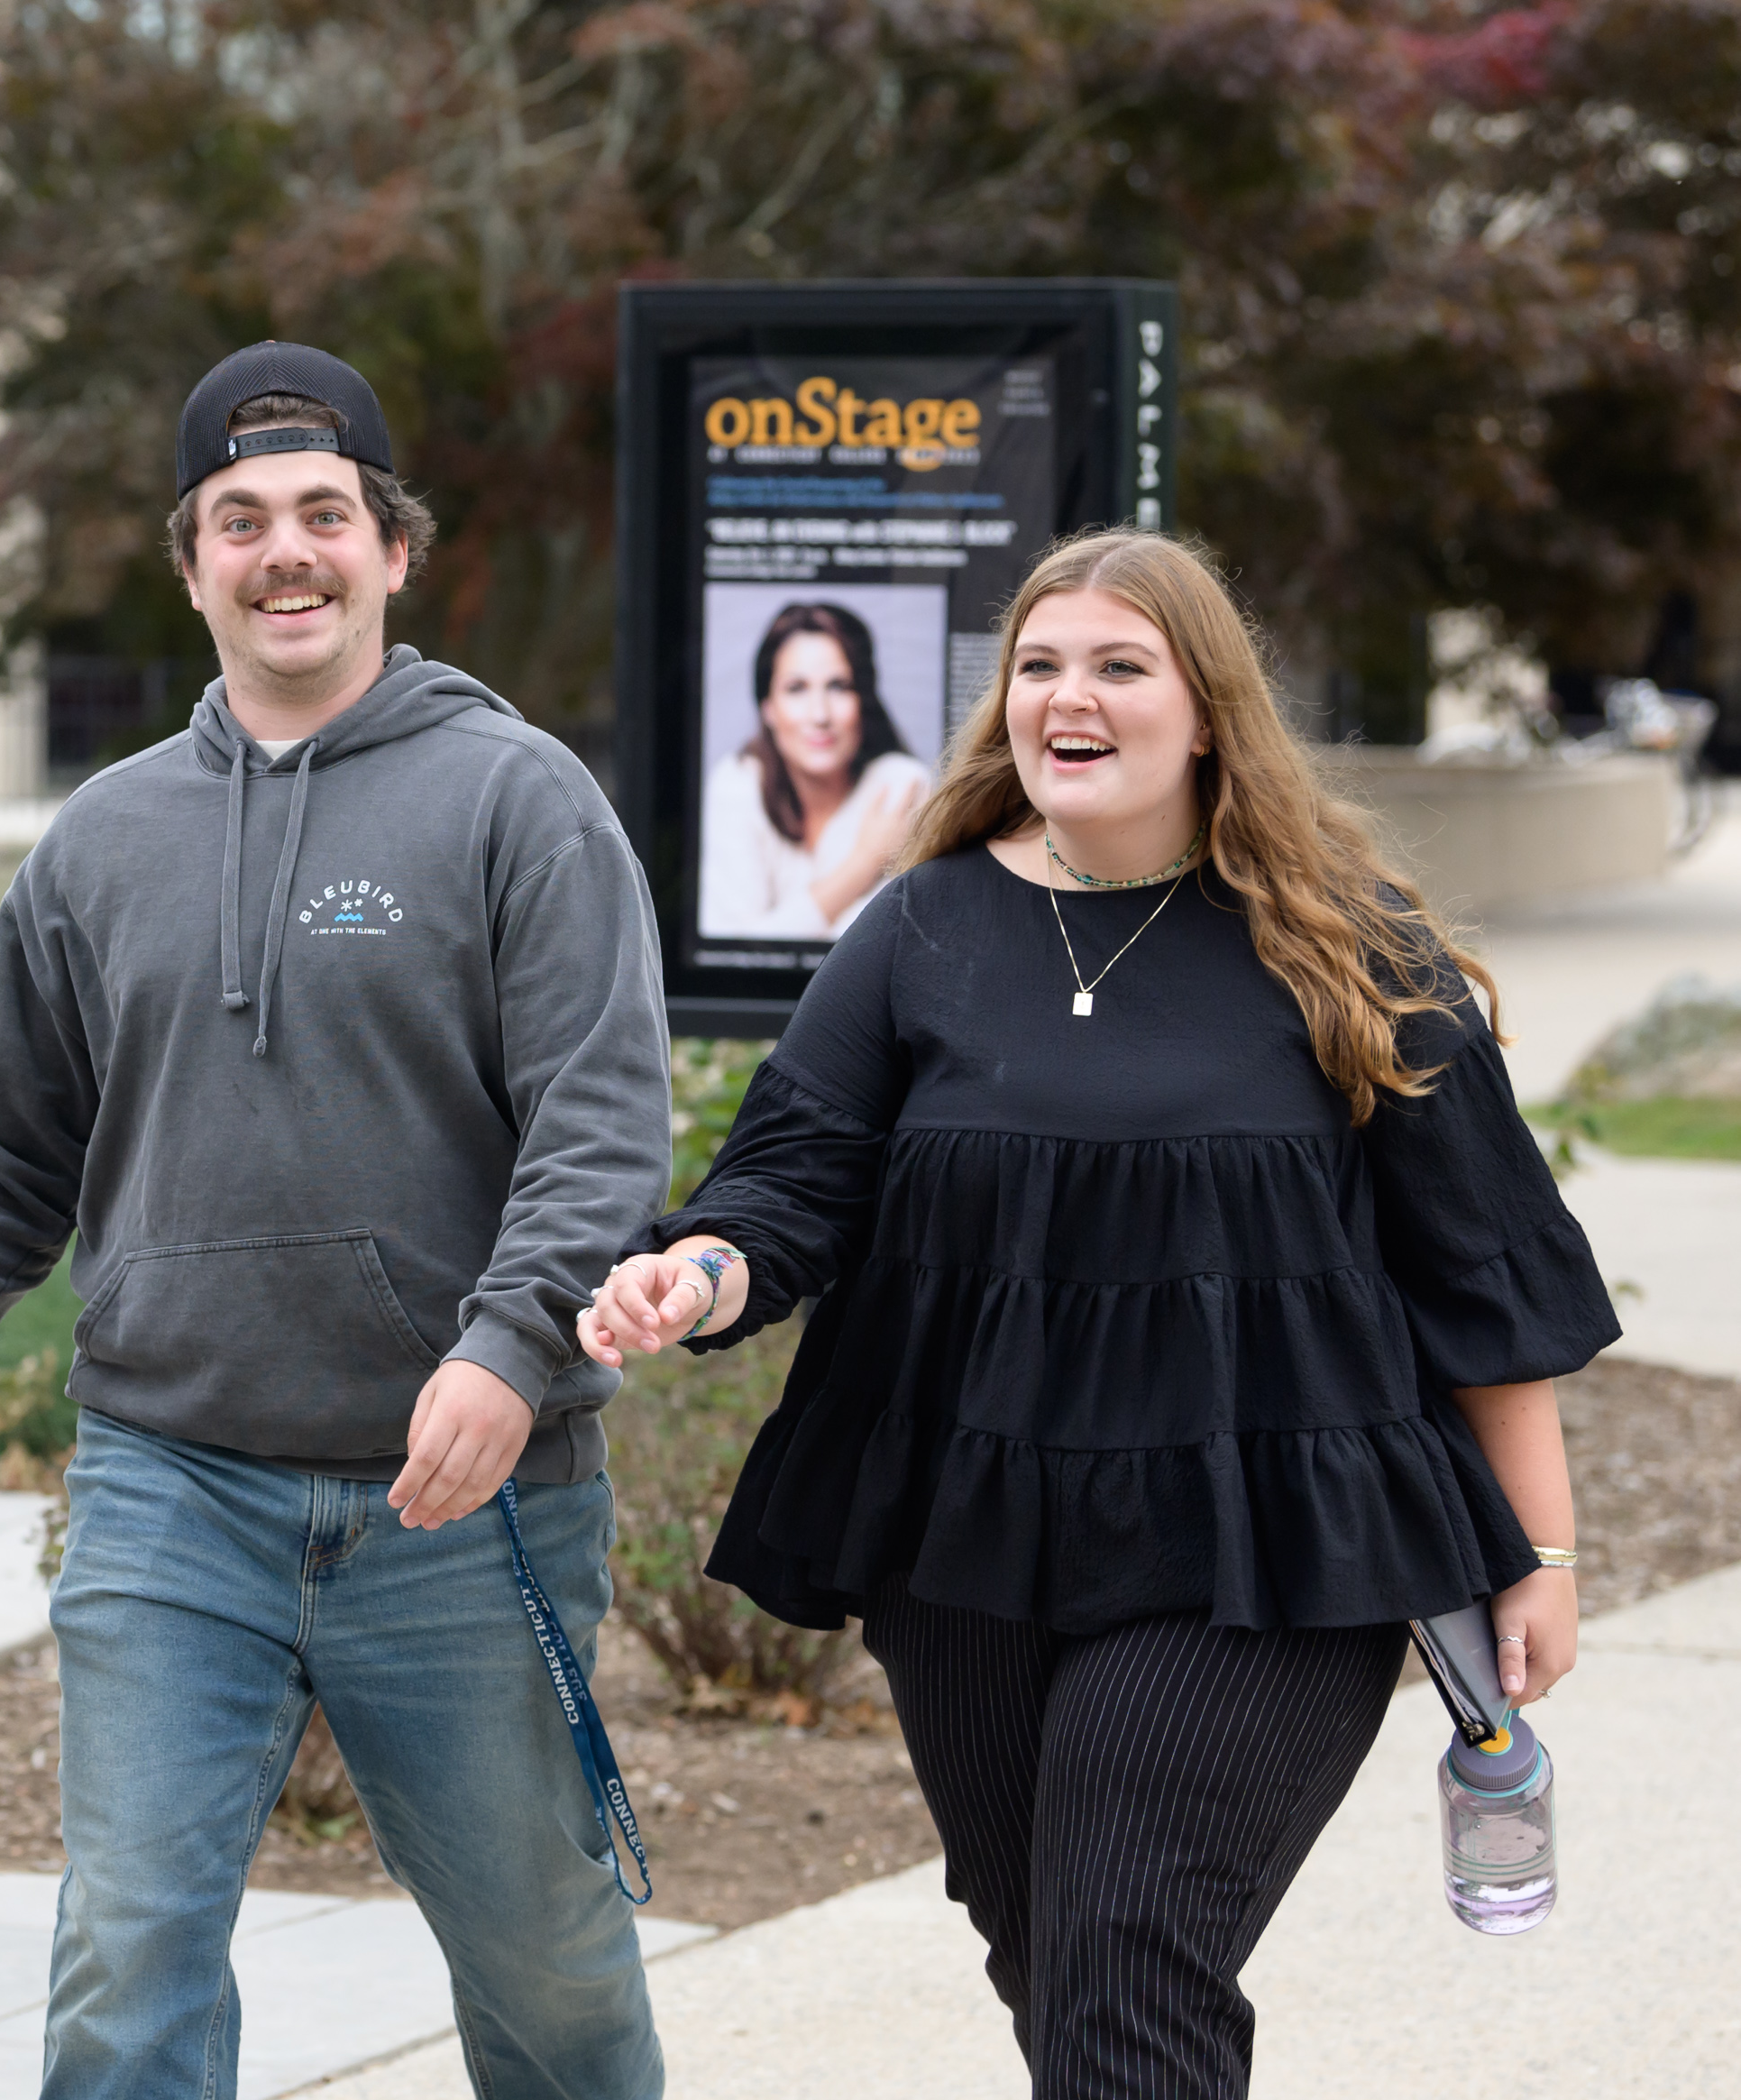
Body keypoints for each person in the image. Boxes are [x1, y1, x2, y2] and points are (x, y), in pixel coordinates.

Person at [583, 528, 1613, 2100]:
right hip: (972, 1530)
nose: (1069, 694)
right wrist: (699, 1270)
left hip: (1266, 1539)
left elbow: (1482, 1272)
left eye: (1120, 664)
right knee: (1053, 1952)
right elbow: (792, 1179)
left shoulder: (1349, 945)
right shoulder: (920, 929)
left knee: (1130, 1951)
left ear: (1210, 711)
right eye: (1038, 665)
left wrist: (1538, 1550)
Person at [0, 342, 675, 2099]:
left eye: (324, 515)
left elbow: (598, 1125)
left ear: (390, 550)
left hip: (468, 1506)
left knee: (547, 1977)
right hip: (170, 1484)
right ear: (188, 561)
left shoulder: (516, 803)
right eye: (242, 519)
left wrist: (506, 1353)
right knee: (130, 1962)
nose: (288, 552)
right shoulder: (104, 841)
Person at [699, 600, 930, 937]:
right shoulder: (737, 783)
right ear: (768, 708)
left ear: (862, 700)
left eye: (838, 687)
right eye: (796, 689)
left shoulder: (901, 787)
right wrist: (865, 862)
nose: (820, 715)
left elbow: (880, 954)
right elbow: (738, 949)